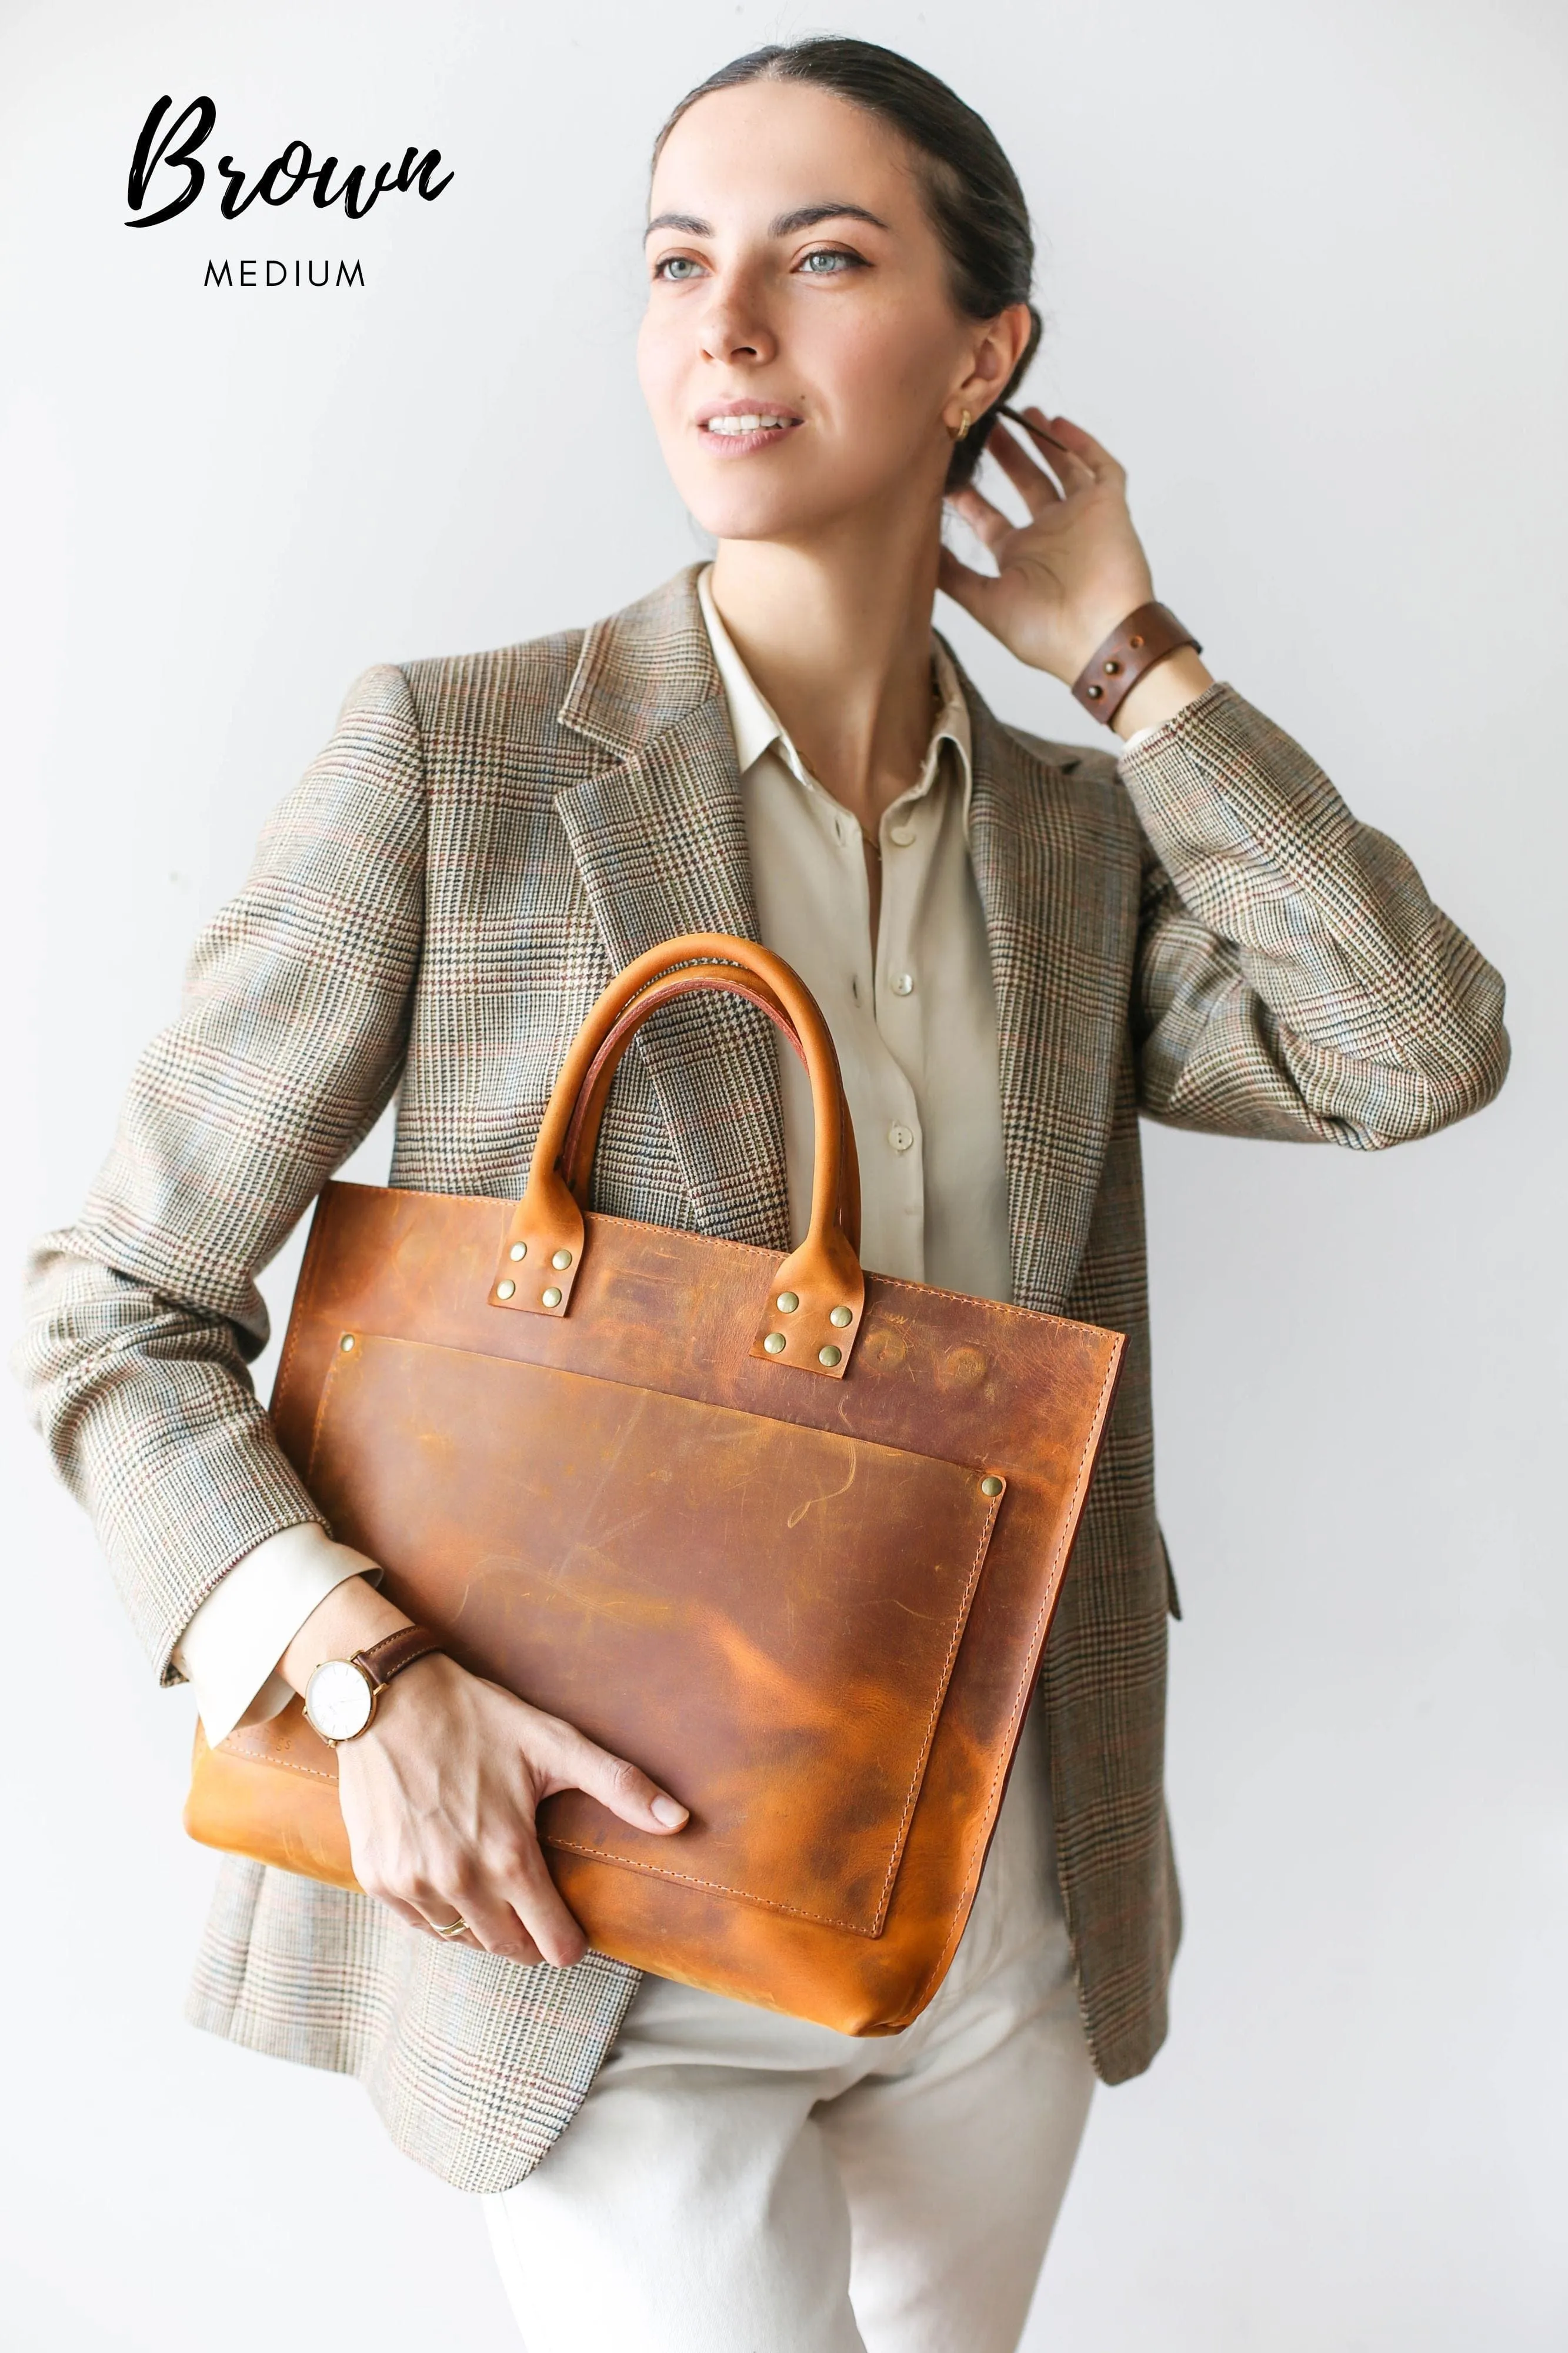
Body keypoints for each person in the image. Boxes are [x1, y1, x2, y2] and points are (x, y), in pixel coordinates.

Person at [17, 35, 1509, 2353]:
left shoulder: (1074, 841)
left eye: (823, 259)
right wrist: (357, 1673)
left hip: (991, 1908)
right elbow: (113, 1300)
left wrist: (1134, 663)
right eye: (677, 262)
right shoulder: (463, 759)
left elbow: (1411, 1048)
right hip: (581, 1923)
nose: (726, 327)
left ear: (984, 355)